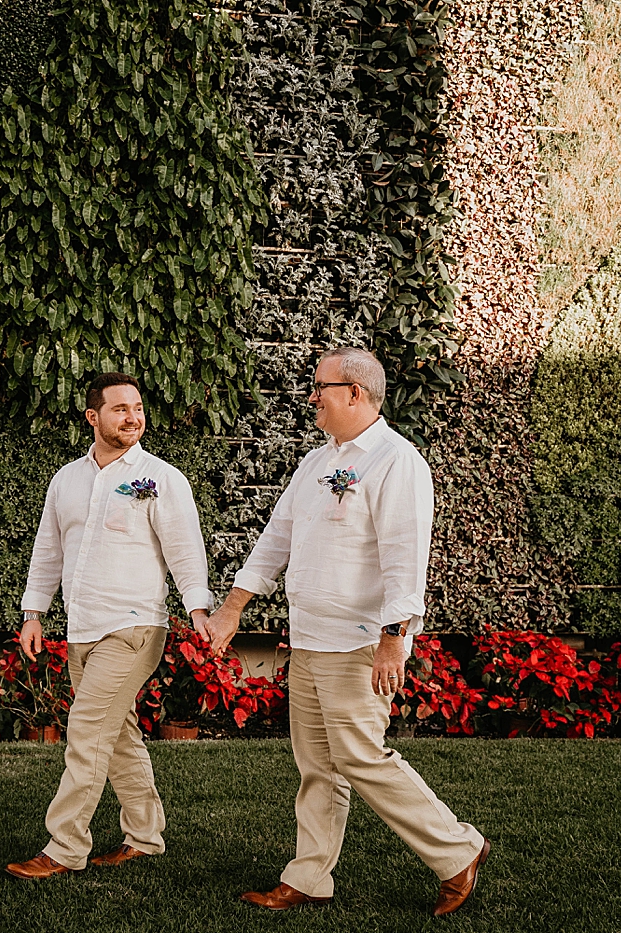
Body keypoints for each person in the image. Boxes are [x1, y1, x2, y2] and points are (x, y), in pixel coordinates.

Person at [204, 347, 490, 917]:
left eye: (320, 387)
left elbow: (406, 558)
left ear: (354, 392)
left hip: (361, 643)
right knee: (316, 766)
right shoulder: (315, 463)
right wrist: (234, 606)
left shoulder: (396, 462)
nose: (312, 397)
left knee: (361, 757)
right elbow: (275, 540)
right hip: (309, 640)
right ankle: (309, 877)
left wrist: (392, 639)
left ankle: (457, 849)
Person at [3, 372, 213, 880]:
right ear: (93, 416)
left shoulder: (163, 478)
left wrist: (199, 607)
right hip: (82, 629)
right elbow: (48, 551)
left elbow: (185, 550)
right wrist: (34, 614)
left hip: (135, 626)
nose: (133, 417)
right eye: (120, 409)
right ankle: (145, 836)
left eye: (138, 407)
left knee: (87, 731)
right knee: (117, 737)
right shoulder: (66, 480)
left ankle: (65, 847)